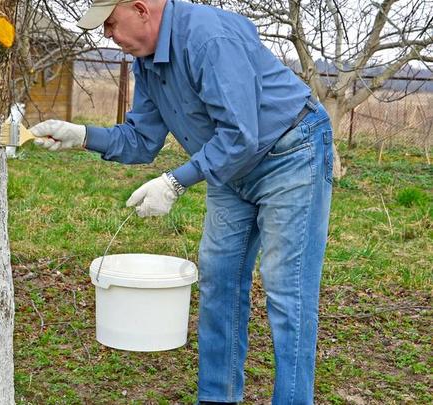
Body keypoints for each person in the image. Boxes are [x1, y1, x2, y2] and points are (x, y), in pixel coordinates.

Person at [29, 0, 333, 403]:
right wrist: (82, 135)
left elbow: (240, 134)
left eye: (110, 24)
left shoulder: (208, 38)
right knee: (219, 280)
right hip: (229, 165)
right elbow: (141, 140)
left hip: (289, 153)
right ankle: (216, 398)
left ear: (140, 9)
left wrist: (175, 182)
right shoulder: (148, 62)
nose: (107, 35)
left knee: (285, 288)